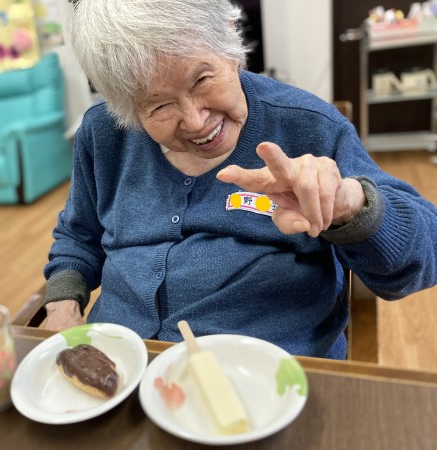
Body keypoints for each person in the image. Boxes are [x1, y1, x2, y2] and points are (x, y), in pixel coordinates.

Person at [42, 0, 437, 359]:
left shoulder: (310, 127)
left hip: (269, 379)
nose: (196, 121)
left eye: (201, 80)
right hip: (120, 368)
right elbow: (79, 236)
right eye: (159, 106)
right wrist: (63, 305)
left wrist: (350, 207)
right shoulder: (105, 134)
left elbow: (423, 255)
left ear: (230, 42)